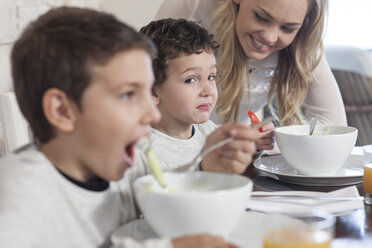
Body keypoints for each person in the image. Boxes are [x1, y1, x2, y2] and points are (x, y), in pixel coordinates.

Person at [0, 7, 258, 248]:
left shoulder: (118, 169)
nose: (149, 112)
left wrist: (205, 169)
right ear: (63, 111)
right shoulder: (20, 197)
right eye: (128, 95)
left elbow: (157, 210)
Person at [155, 0, 347, 130]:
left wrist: (274, 145)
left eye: (288, 28)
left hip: (235, 154)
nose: (270, 37)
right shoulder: (192, 7)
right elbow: (144, 86)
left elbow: (335, 125)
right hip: (171, 141)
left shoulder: (302, 45)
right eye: (261, 17)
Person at [132, 18, 258, 173]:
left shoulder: (209, 131)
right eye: (191, 79)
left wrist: (252, 142)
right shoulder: (142, 150)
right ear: (152, 91)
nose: (208, 90)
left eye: (211, 77)